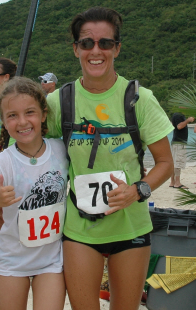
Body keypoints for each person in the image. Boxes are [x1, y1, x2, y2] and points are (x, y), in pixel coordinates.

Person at [46, 7, 174, 310]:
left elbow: (166, 163)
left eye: (105, 43)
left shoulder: (139, 98)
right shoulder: (58, 102)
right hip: (79, 228)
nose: (96, 51)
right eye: (87, 43)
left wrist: (138, 190)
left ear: (116, 48)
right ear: (76, 49)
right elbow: (33, 154)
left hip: (132, 227)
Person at [0, 77, 69, 310]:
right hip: (12, 264)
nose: (22, 122)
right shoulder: (2, 163)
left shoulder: (61, 150)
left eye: (29, 112)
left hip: (51, 263)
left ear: (43, 114)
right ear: (3, 121)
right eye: (12, 115)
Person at [169, 112, 194, 189]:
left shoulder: (177, 115)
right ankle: (177, 183)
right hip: (179, 143)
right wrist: (188, 120)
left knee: (174, 161)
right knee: (178, 162)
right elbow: (179, 126)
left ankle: (172, 182)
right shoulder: (178, 115)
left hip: (176, 142)